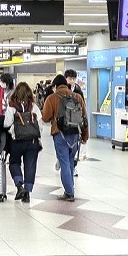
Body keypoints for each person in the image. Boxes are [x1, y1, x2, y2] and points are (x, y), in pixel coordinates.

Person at [42, 74, 89, 202]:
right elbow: (84, 118)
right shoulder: (77, 97)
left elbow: (45, 117)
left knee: (64, 163)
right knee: (70, 163)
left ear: (55, 86)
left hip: (60, 134)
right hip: (75, 135)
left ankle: (69, 192)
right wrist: (85, 136)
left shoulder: (52, 98)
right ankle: (70, 189)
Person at [4, 82, 43, 203]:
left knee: (14, 162)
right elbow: (40, 126)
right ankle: (27, 193)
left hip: (17, 141)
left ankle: (19, 185)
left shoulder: (11, 107)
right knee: (30, 165)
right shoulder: (34, 107)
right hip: (32, 142)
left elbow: (6, 123)